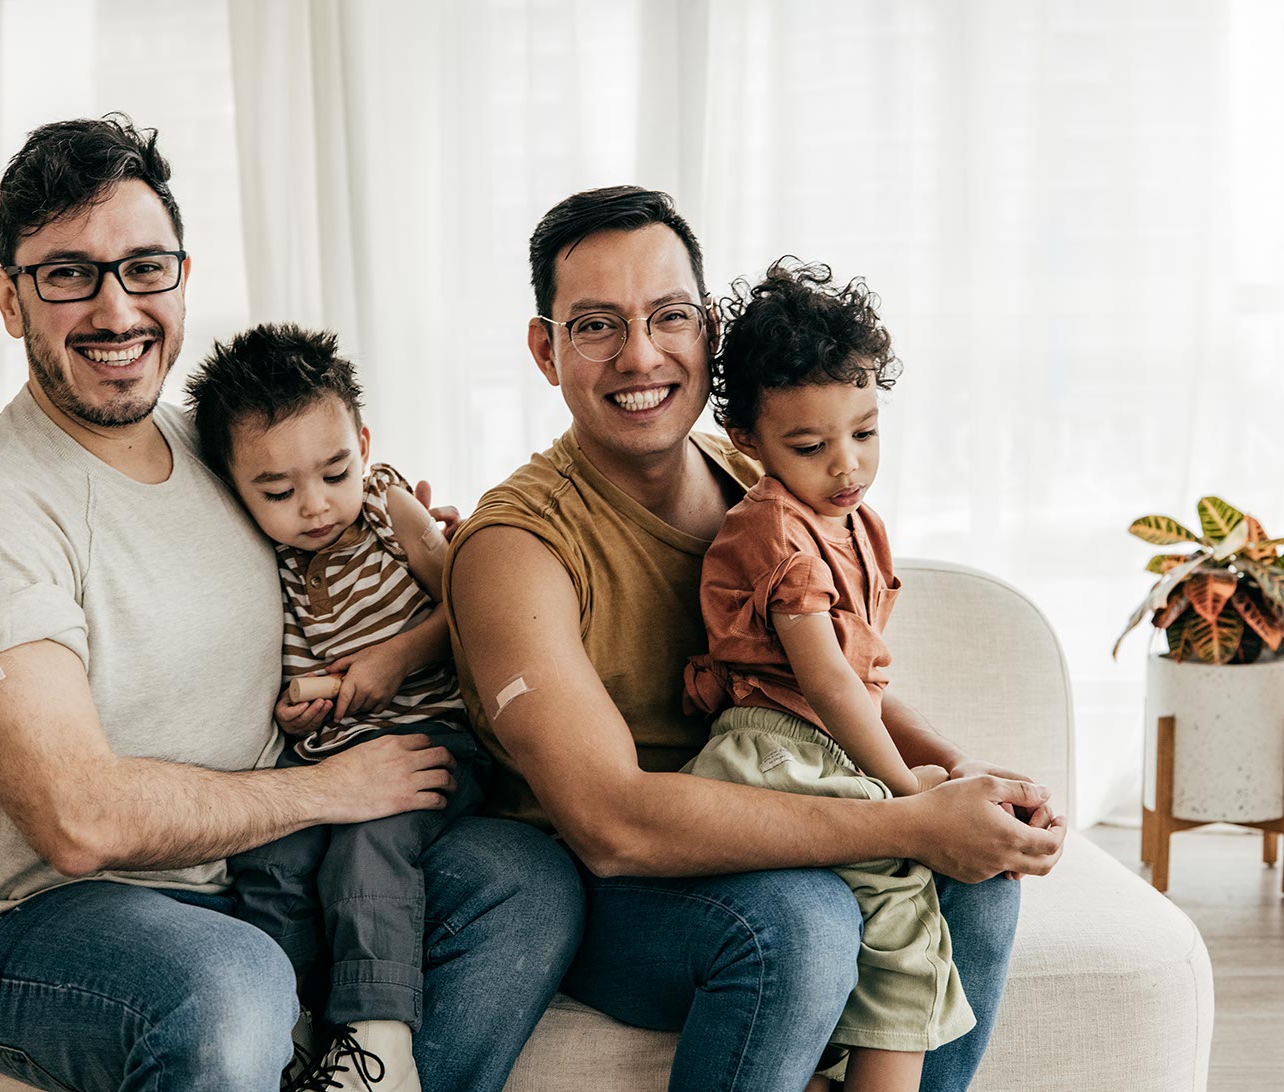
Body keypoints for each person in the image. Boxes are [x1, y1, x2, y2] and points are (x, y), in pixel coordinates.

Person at [0, 114, 580, 1092]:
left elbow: (338, 531)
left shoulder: (226, 451)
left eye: (145, 267)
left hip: (252, 872)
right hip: (43, 918)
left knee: (525, 882)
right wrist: (335, 788)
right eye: (68, 273)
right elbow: (78, 818)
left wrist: (417, 536)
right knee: (228, 982)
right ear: (9, 298)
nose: (117, 307)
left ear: (182, 275)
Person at [444, 185, 1068, 1092]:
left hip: (773, 802)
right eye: (595, 326)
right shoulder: (516, 548)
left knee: (979, 882)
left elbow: (828, 676)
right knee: (801, 924)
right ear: (546, 349)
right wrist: (904, 819)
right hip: (613, 888)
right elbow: (610, 824)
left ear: (710, 330)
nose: (641, 355)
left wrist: (967, 783)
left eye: (671, 316)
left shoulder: (760, 475)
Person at [680, 258, 970, 1092]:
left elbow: (866, 683)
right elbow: (833, 684)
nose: (846, 466)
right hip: (778, 753)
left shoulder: (855, 523)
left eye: (865, 433)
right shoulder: (774, 530)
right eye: (809, 446)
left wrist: (953, 765)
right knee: (906, 898)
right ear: (747, 443)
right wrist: (912, 795)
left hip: (821, 748)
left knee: (951, 885)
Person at [185, 322, 491, 1092]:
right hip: (332, 759)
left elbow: (478, 608)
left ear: (361, 440)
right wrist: (299, 715)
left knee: (368, 849)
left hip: (433, 738)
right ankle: (284, 1034)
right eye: (279, 492)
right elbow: (293, 680)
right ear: (232, 483)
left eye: (333, 472)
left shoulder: (390, 509)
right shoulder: (264, 560)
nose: (316, 507)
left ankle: (376, 1042)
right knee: (271, 855)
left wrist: (397, 658)